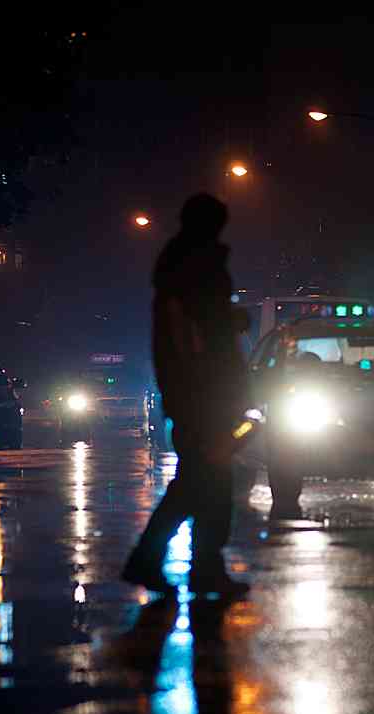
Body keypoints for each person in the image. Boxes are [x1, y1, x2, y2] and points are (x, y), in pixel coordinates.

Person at [122, 194, 248, 597]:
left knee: (198, 483)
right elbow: (199, 338)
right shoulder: (195, 267)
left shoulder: (180, 268)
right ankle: (193, 567)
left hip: (198, 395)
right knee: (206, 483)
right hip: (205, 397)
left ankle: (172, 563)